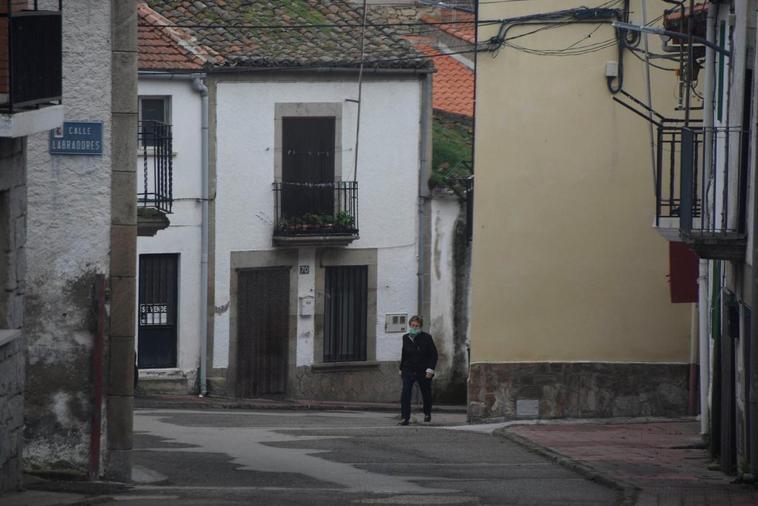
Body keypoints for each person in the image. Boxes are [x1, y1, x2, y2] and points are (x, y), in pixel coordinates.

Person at [398, 315, 438, 425]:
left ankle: (427, 413)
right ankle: (405, 417)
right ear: (409, 325)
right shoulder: (405, 337)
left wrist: (430, 370)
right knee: (405, 393)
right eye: (413, 325)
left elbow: (433, 355)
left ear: (420, 327)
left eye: (417, 326)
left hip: (423, 370)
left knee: (426, 392)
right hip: (408, 369)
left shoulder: (426, 338)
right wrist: (401, 368)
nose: (414, 327)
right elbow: (404, 354)